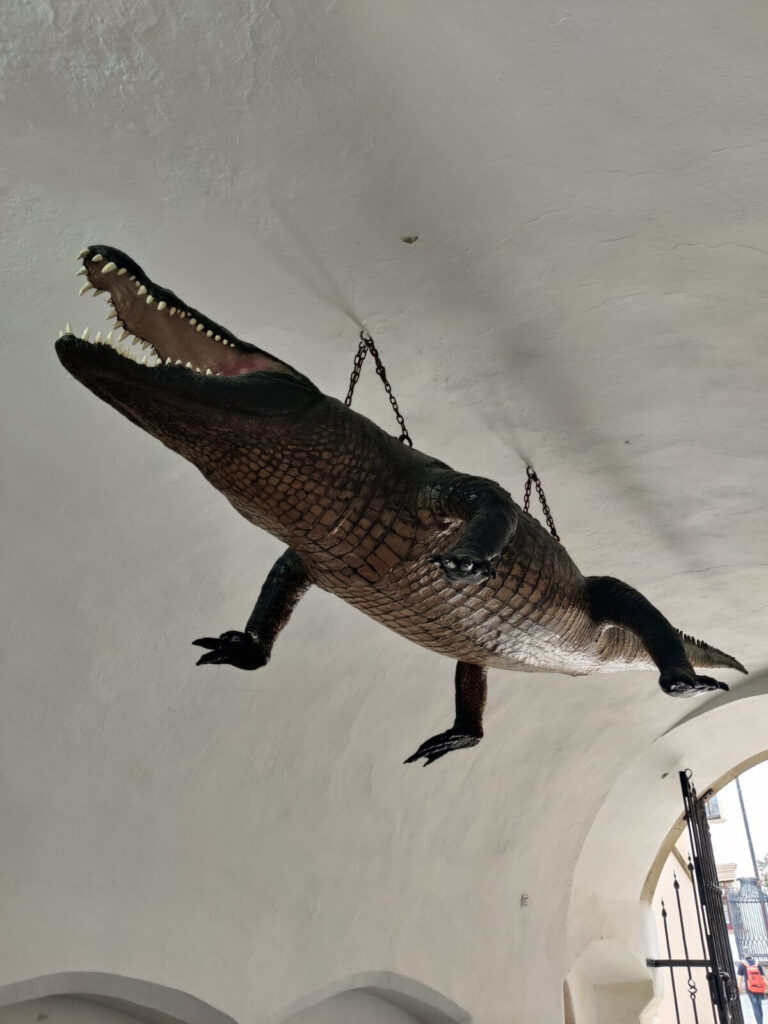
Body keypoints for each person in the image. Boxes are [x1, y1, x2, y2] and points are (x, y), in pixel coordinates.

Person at [738, 956, 767, 1024]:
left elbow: (740, 979)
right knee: (759, 1005)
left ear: (746, 959)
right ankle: (761, 1022)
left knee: (755, 1006)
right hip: (759, 987)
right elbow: (763, 978)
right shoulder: (758, 964)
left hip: (750, 989)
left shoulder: (742, 965)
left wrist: (738, 990)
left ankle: (760, 1023)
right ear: (752, 958)